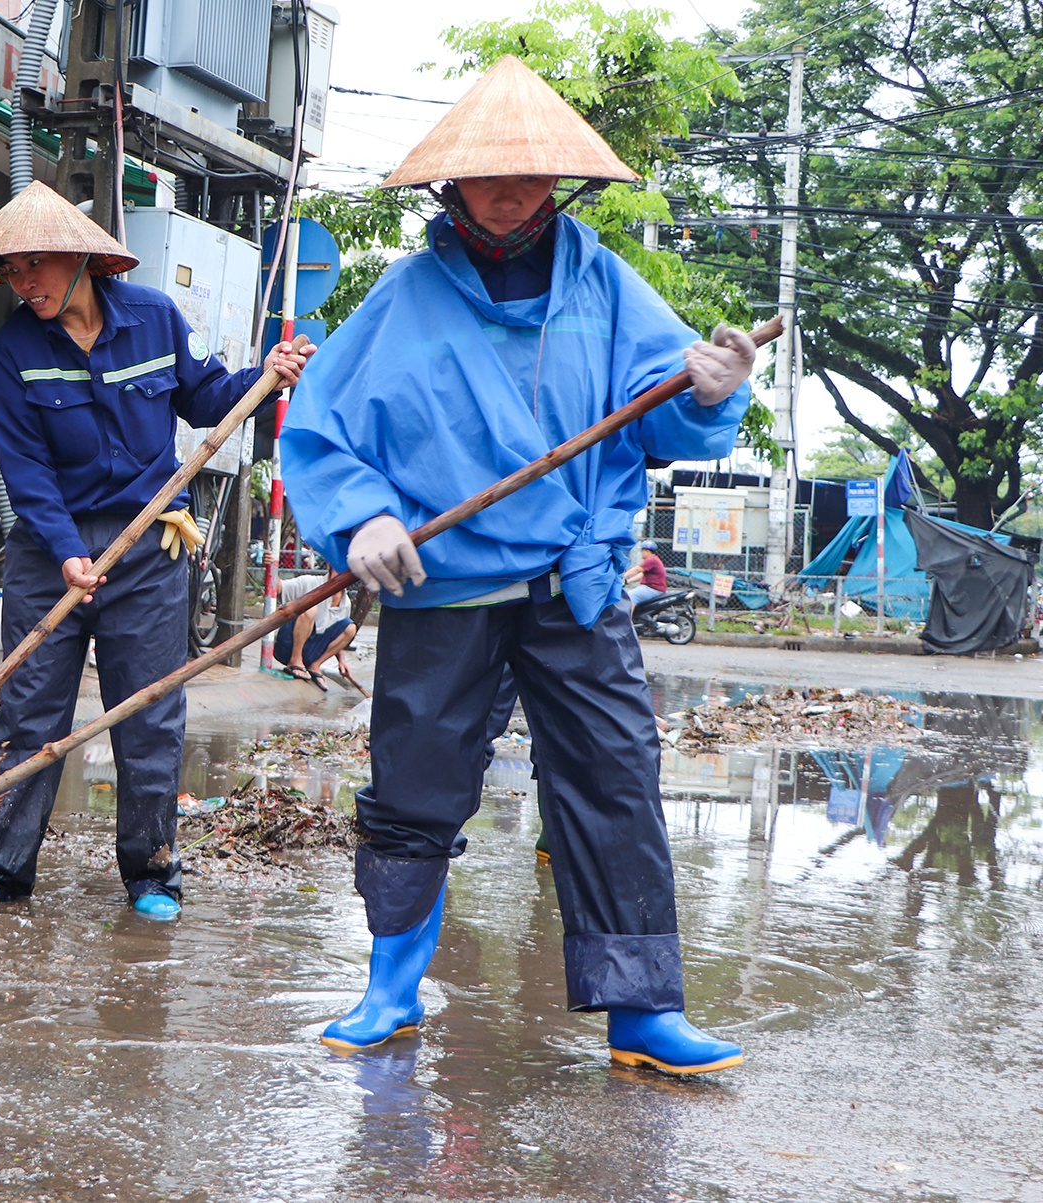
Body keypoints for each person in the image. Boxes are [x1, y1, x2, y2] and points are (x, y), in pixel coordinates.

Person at [281, 56, 758, 1075]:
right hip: (442, 587)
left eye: (532, 176)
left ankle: (643, 1014)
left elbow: (665, 413)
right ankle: (391, 987)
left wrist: (712, 389)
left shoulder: (603, 286)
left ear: (560, 183)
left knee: (614, 777)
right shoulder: (402, 300)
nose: (512, 194)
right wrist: (361, 520)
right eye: (491, 177)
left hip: (574, 583)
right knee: (413, 784)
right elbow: (322, 437)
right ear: (450, 187)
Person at [0, 181, 314, 921]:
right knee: (29, 711)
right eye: (13, 271)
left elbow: (208, 397)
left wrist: (266, 377)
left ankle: (152, 872)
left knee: (149, 712)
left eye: (37, 264)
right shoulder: (15, 347)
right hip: (53, 552)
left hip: (150, 546)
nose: (26, 283)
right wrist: (67, 550)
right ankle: (0, 867)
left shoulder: (154, 318)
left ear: (83, 259)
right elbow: (25, 467)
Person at [272, 572, 358, 687]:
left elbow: (338, 632)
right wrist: (270, 565)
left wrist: (341, 661)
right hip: (288, 646)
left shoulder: (345, 602)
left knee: (350, 627)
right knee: (310, 607)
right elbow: (277, 587)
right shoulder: (310, 582)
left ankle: (315, 666)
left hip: (312, 651)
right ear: (329, 566)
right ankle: (295, 660)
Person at [625, 539, 668, 605]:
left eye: (642, 550)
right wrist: (628, 581)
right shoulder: (654, 559)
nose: (641, 552)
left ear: (647, 551)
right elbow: (642, 574)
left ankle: (627, 615)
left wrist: (623, 575)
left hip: (654, 589)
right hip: (654, 588)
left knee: (630, 596)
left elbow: (637, 570)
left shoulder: (651, 560)